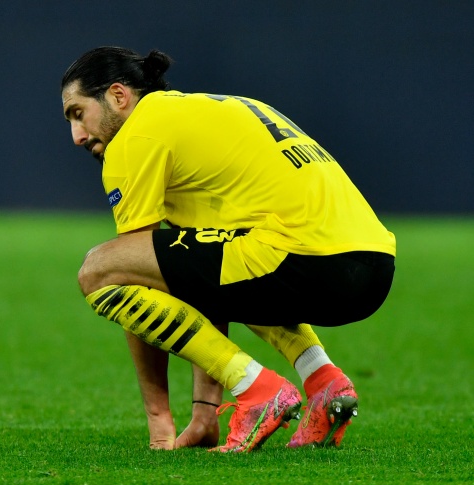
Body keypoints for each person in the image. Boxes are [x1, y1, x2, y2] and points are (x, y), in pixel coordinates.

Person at [60, 47, 396, 452]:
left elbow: (135, 269)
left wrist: (158, 417)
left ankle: (257, 390)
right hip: (373, 266)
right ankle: (323, 380)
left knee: (100, 270)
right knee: (226, 257)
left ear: (118, 95)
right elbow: (203, 272)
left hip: (304, 260)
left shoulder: (137, 135)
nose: (77, 136)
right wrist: (205, 412)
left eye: (78, 113)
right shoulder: (212, 111)